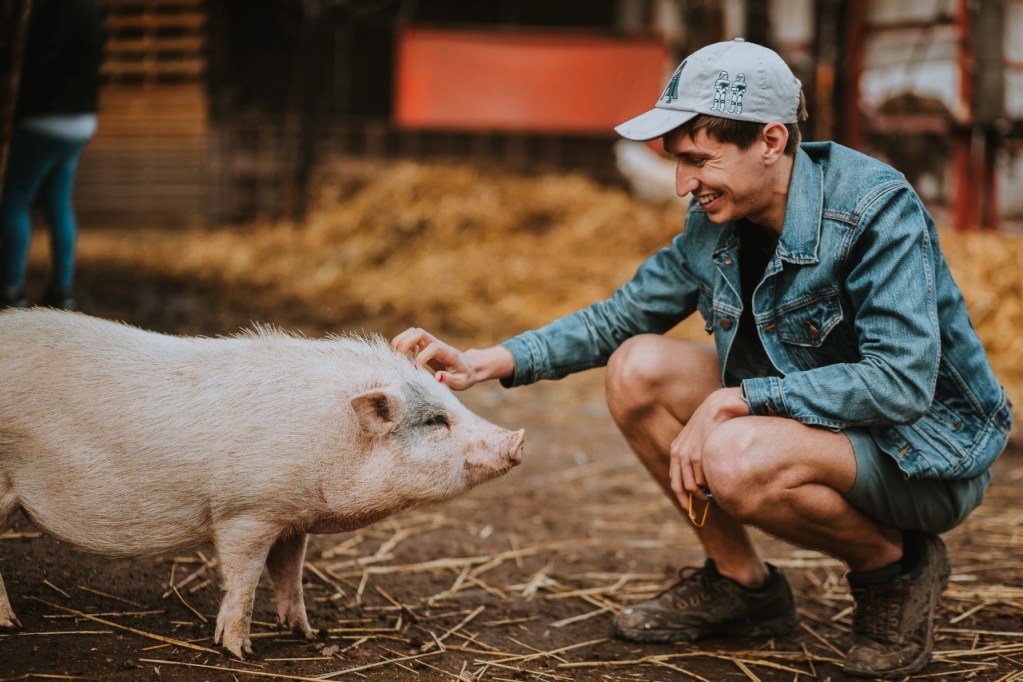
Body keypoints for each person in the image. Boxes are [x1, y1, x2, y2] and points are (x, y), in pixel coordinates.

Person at [391, 38, 1012, 679]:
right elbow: (621, 317)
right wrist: (489, 361)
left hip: (919, 454)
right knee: (636, 368)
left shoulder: (874, 209)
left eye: (699, 159)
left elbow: (901, 382)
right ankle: (743, 586)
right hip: (818, 421)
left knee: (734, 456)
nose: (683, 183)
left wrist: (741, 398)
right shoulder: (717, 219)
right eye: (677, 160)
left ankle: (895, 568)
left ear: (771, 141)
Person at [0, 0, 106, 309]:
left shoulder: (47, 13)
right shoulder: (91, 12)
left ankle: (12, 289)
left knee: (14, 202)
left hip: (44, 119)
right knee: (59, 201)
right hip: (82, 120)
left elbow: (34, 64)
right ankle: (63, 289)